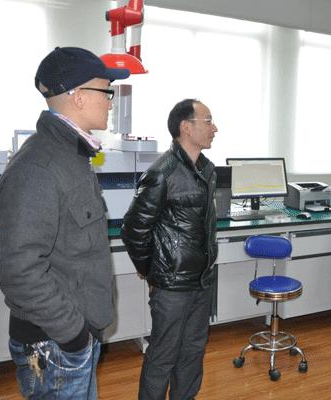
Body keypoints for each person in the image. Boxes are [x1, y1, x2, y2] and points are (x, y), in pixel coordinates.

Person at [0, 47, 130, 399]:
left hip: (69, 340)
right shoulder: (38, 167)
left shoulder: (72, 156)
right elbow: (20, 273)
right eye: (106, 91)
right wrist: (74, 335)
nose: (111, 102)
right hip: (55, 345)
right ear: (79, 96)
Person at [121, 99, 219, 400]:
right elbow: (133, 229)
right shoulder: (162, 172)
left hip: (202, 280)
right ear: (186, 127)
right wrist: (150, 270)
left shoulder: (207, 169)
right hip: (172, 285)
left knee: (193, 352)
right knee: (163, 355)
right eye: (208, 120)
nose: (214, 128)